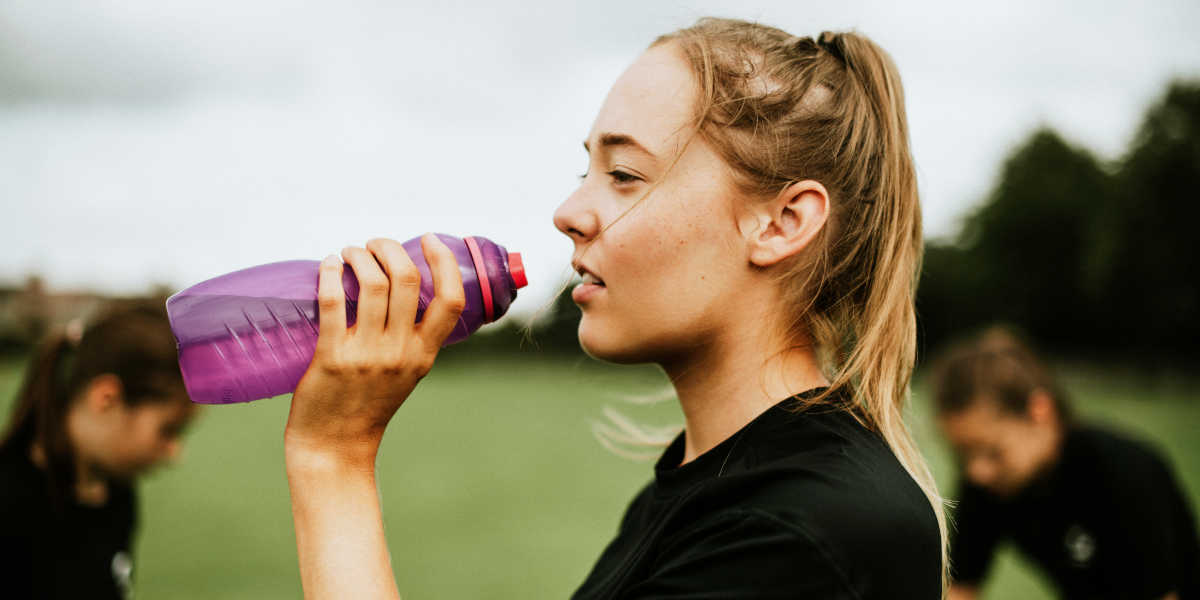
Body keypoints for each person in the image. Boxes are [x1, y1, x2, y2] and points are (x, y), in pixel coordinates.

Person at [282, 18, 945, 599]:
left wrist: (333, 457)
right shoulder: (713, 489)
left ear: (781, 222)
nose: (568, 214)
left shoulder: (799, 531)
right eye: (585, 174)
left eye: (624, 174)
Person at [933, 328, 1199, 600]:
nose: (977, 471)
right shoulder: (987, 484)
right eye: (963, 455)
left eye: (994, 452)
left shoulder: (1125, 472)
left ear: (1040, 411)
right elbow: (959, 590)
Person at [0, 300, 197, 599]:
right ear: (107, 398)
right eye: (168, 430)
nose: (174, 451)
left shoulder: (116, 493)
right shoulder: (10, 503)